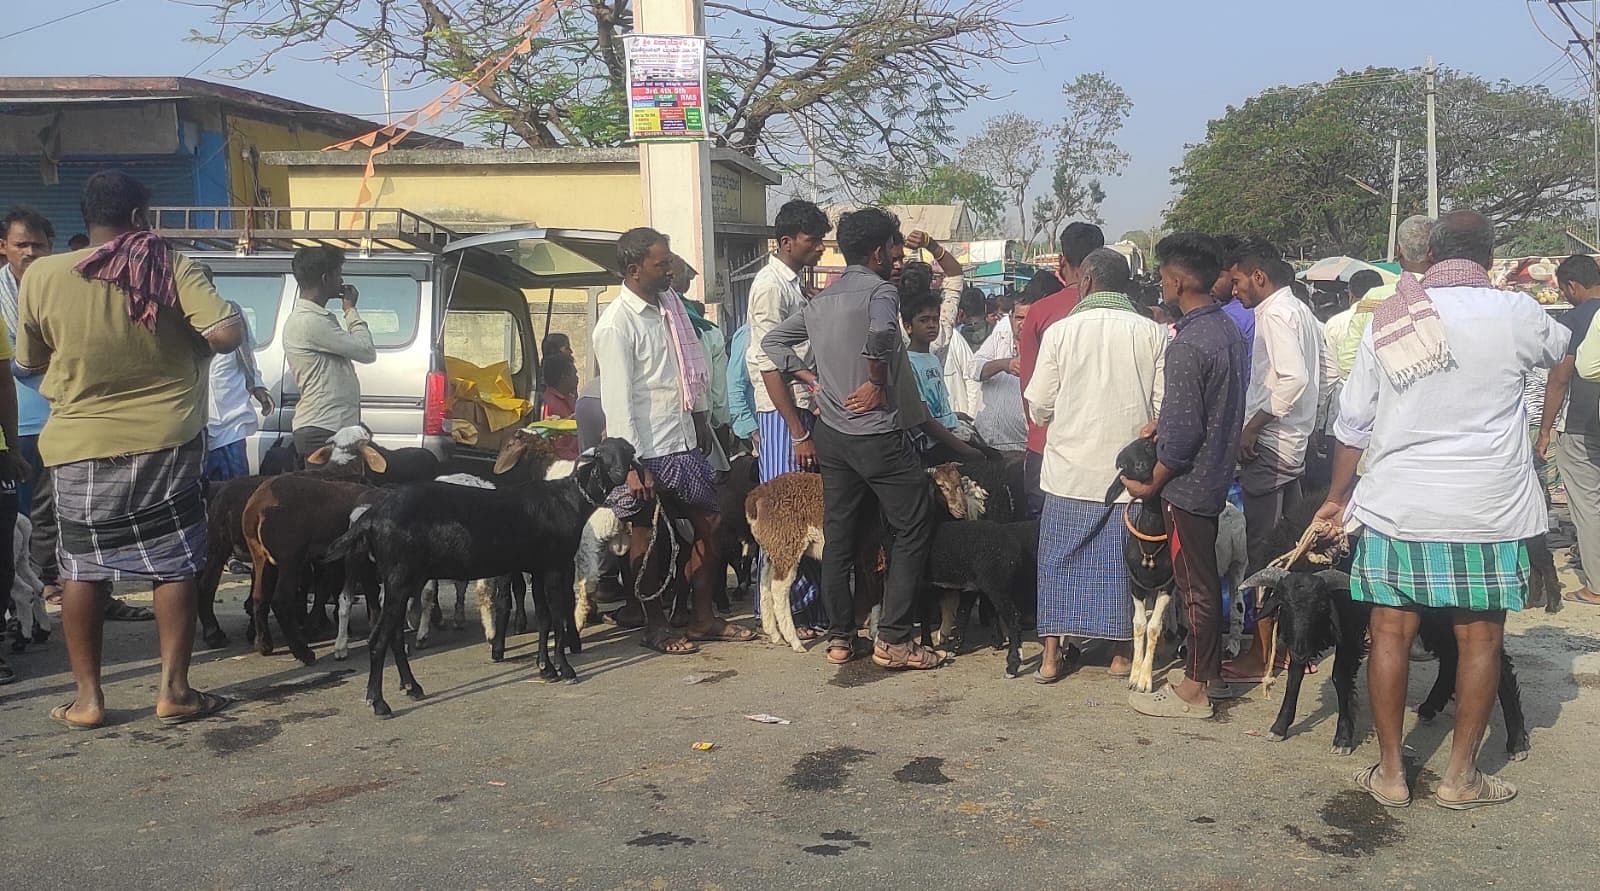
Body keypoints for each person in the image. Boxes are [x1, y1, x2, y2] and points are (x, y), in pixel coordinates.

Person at [1317, 210, 1565, 810]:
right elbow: (1563, 351)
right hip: (1490, 506)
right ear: (1487, 255)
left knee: (1388, 635)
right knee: (1480, 641)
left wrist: (1335, 497)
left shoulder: (1392, 319)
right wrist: (1541, 424)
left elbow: (1353, 423)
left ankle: (1392, 775)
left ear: (1429, 255)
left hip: (1400, 502)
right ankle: (1459, 778)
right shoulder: (1520, 314)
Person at [15, 169, 245, 726]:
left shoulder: (42, 274)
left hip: (78, 442)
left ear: (85, 217)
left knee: (83, 568)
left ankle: (89, 700)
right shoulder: (168, 264)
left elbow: (28, 363)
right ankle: (174, 692)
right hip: (166, 438)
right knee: (172, 565)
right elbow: (225, 334)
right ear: (141, 218)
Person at [762, 206, 943, 670]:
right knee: (913, 522)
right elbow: (883, 331)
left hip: (833, 435)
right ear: (880, 251)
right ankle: (895, 638)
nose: (899, 254)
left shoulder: (820, 300)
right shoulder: (880, 292)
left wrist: (813, 380)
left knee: (839, 536)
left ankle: (841, 638)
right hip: (875, 432)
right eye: (896, 246)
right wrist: (877, 380)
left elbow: (773, 344)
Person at [593, 227, 754, 654]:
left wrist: (700, 418)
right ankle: (656, 625)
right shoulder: (616, 324)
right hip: (644, 450)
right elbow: (617, 399)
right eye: (661, 263)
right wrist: (629, 465)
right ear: (633, 270)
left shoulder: (673, 310)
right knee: (648, 540)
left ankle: (702, 617)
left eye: (670, 261)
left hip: (683, 440)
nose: (671, 269)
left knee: (712, 525)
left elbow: (690, 369)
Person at [1025, 249, 1168, 682]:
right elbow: (1162, 410)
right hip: (1128, 476)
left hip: (1069, 469)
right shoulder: (1153, 332)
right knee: (1120, 565)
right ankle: (1121, 655)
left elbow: (1039, 407)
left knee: (1057, 561)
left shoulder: (1061, 332)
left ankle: (1051, 658)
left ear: (1085, 281)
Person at [1124, 233, 1248, 718]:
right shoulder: (1227, 331)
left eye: (1161, 277)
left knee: (1195, 586)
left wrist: (1153, 479)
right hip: (1215, 475)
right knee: (1203, 581)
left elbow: (1181, 435)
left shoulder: (1189, 342)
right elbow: (1209, 408)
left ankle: (1194, 688)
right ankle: (1210, 673)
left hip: (1189, 484)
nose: (1161, 285)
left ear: (1176, 281)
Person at [746, 199, 832, 632]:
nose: (818, 248)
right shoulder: (769, 286)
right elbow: (769, 361)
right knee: (785, 516)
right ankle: (783, 612)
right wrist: (797, 432)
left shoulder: (795, 285)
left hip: (801, 405)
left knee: (807, 513)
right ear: (786, 242)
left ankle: (803, 607)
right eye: (812, 240)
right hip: (783, 412)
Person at [1, 206, 64, 619]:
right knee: (12, 525)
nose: (30, 252)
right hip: (12, 430)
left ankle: (50, 584)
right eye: (21, 244)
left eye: (37, 245)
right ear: (3, 247)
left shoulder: (63, 289)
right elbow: (15, 369)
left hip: (58, 420)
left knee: (54, 513)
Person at [1018, 222, 1106, 516]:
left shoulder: (1041, 313)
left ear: (1061, 261)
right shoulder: (1131, 314)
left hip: (1048, 447)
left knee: (1043, 542)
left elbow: (1031, 389)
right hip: (1108, 449)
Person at [282, 246, 374, 460]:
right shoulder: (311, 322)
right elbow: (366, 350)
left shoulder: (314, 318)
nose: (341, 281)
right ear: (326, 278)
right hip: (323, 429)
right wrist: (350, 310)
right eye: (338, 275)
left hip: (329, 426)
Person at [1545, 255, 1600, 605]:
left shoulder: (1574, 321)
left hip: (1582, 424)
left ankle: (1596, 586)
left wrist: (1544, 430)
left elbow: (1559, 380)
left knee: (1588, 504)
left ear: (1571, 286)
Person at [198, 262, 274, 482]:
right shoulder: (181, 317)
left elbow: (246, 353)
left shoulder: (232, 312)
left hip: (232, 419)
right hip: (199, 423)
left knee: (236, 488)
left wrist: (257, 386)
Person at [899, 268, 982, 465]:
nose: (931, 325)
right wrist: (965, 450)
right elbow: (925, 419)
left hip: (949, 431)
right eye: (924, 321)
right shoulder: (907, 364)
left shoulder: (933, 359)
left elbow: (938, 408)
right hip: (933, 444)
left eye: (935, 320)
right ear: (908, 326)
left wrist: (955, 415)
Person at [970, 275, 1049, 456]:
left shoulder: (1046, 347)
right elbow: (974, 369)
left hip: (1022, 449)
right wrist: (1004, 364)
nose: (1024, 324)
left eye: (1029, 318)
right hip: (985, 441)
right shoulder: (1001, 337)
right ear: (1011, 318)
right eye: (1019, 317)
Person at [541, 352, 581, 461]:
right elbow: (556, 449)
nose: (577, 378)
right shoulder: (549, 405)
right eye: (574, 374)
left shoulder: (570, 398)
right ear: (564, 377)